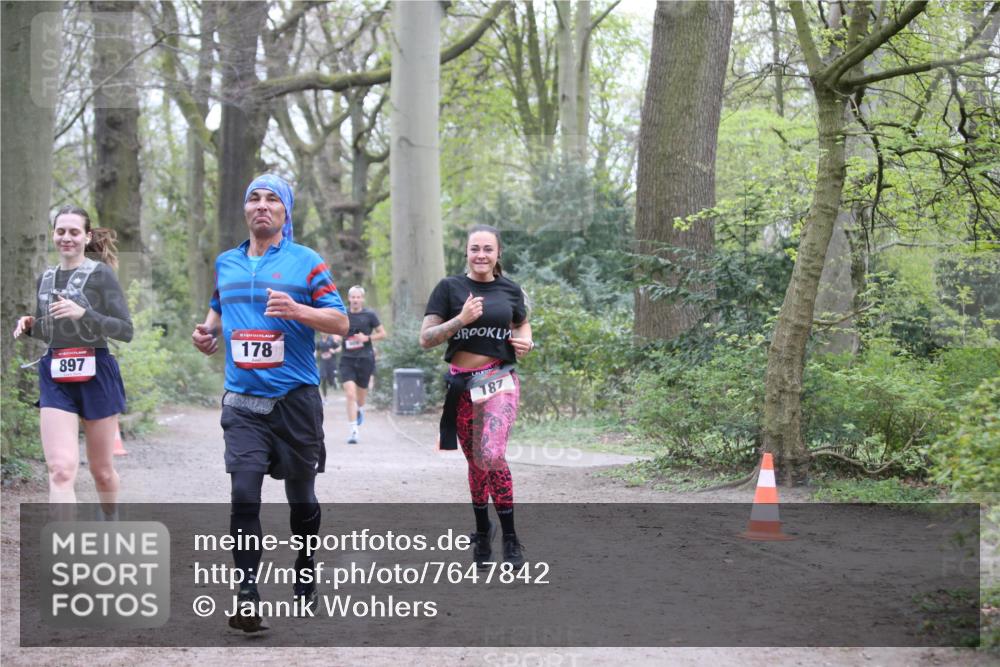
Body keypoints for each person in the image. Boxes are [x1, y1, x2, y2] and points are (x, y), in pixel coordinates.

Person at [190, 174, 348, 633]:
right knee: (243, 494)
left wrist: (298, 310)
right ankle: (247, 593)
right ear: (245, 210)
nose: (262, 206)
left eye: (272, 199)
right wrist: (207, 332)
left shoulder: (307, 262)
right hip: (243, 402)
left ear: (285, 212)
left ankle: (304, 566)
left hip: (295, 400)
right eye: (253, 198)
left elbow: (340, 321)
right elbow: (217, 308)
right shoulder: (227, 263)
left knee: (301, 499)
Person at [419, 224, 534, 569]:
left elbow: (522, 324)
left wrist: (526, 341)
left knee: (491, 453)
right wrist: (461, 319)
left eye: (488, 249)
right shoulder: (449, 288)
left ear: (499, 253)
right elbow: (426, 338)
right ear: (466, 253)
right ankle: (483, 530)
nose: (481, 255)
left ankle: (511, 538)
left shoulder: (511, 290)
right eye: (475, 249)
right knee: (476, 463)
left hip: (500, 380)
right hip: (462, 386)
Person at [12, 206, 132, 519]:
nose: (67, 238)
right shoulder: (45, 279)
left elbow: (125, 330)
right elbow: (50, 330)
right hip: (56, 374)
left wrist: (85, 313)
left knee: (102, 471)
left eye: (74, 232)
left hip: (96, 372)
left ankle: (111, 521)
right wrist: (30, 326)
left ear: (87, 236)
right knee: (61, 471)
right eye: (61, 231)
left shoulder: (101, 275)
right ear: (53, 235)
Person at [338, 285, 386, 444]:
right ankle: (353, 430)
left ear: (362, 299)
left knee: (360, 398)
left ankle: (360, 409)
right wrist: (337, 336)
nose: (356, 300)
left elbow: (383, 333)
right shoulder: (343, 313)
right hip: (347, 359)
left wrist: (367, 338)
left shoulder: (370, 315)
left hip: (365, 359)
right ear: (349, 298)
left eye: (358, 297)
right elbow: (335, 329)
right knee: (350, 394)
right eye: (353, 297)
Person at [316, 333, 341, 399]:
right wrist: (318, 355)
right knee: (323, 378)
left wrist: (334, 351)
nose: (323, 333)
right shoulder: (319, 342)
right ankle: (324, 397)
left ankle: (335, 382)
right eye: (322, 331)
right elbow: (316, 351)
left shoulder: (332, 340)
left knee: (331, 380)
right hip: (323, 362)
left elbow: (339, 348)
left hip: (331, 362)